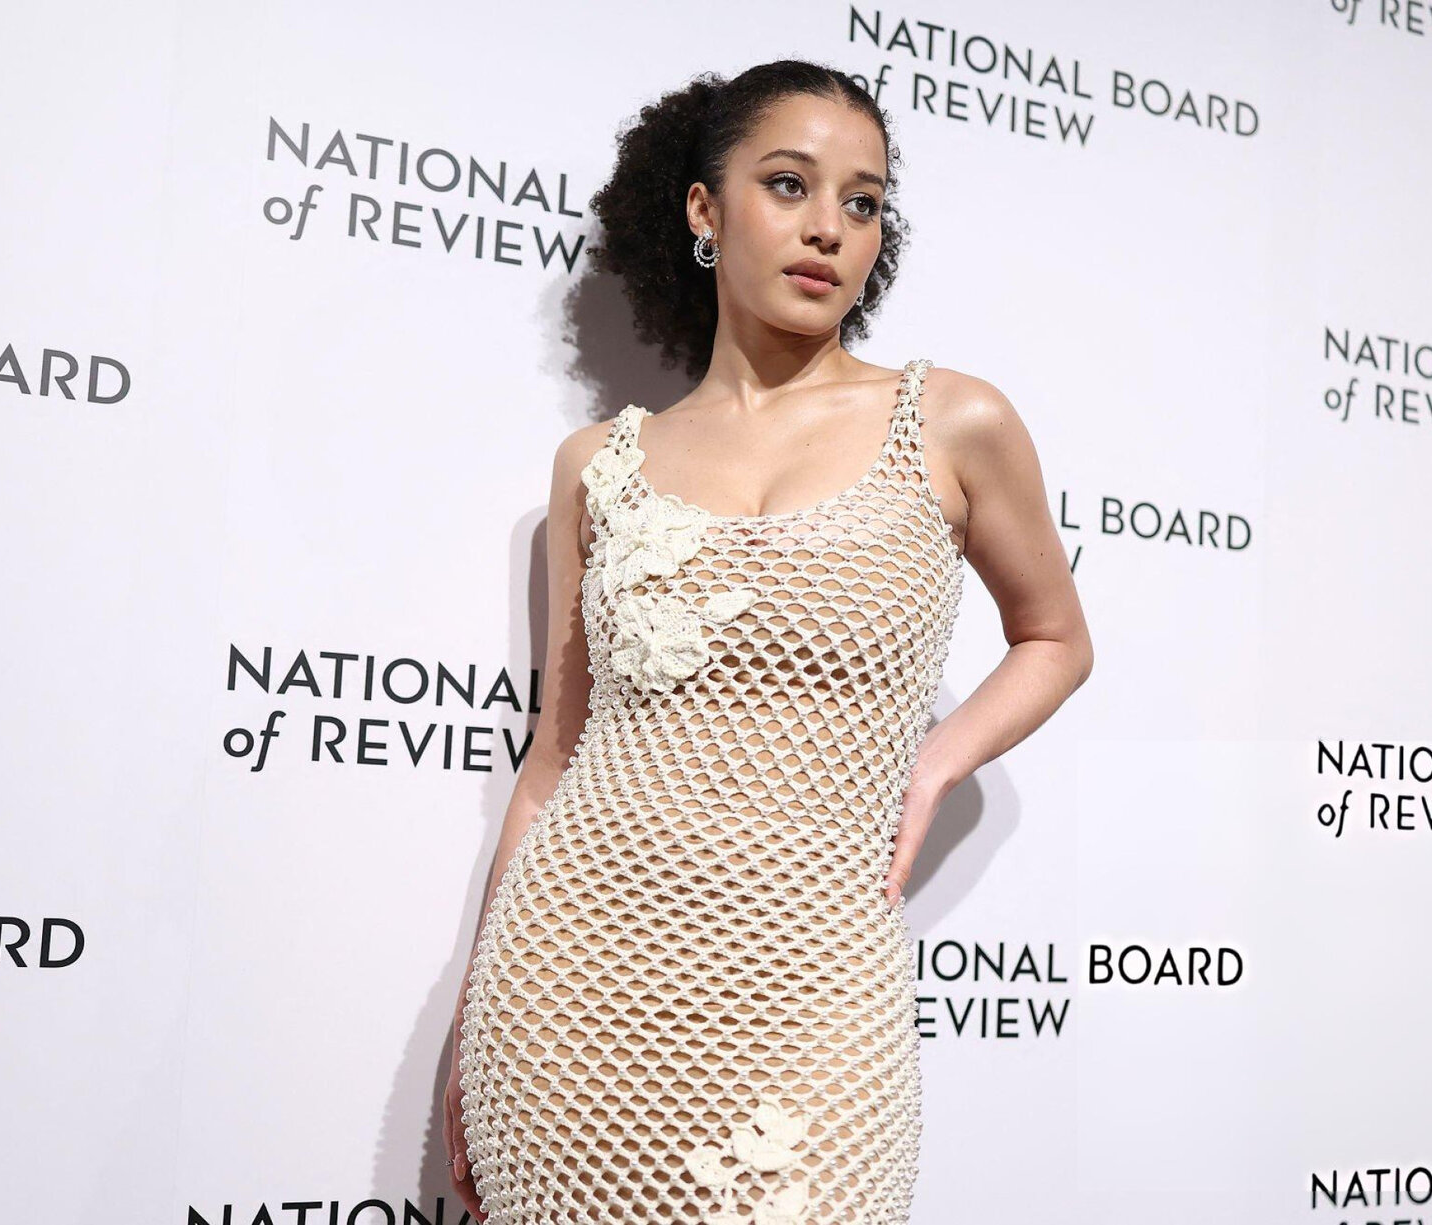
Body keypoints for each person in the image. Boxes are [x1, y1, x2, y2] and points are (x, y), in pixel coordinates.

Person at [441, 58, 1092, 1223]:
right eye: (789, 184)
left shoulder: (953, 421)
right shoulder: (597, 466)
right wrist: (467, 1018)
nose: (829, 227)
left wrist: (933, 764)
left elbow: (1055, 637)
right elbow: (554, 761)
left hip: (813, 984)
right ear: (705, 209)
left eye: (863, 202)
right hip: (570, 989)